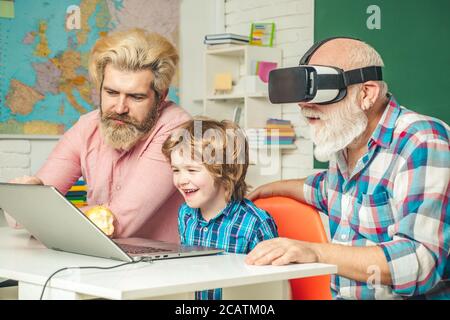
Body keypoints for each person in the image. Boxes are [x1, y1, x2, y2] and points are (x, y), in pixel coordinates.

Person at [246, 38, 449, 300]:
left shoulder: (422, 141)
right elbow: (321, 189)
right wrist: (266, 189)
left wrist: (316, 252)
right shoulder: (347, 141)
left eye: (320, 92)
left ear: (366, 93)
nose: (304, 106)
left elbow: (418, 262)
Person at [5, 28, 191, 242]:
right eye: (111, 93)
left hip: (166, 268)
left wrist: (39, 212)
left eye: (136, 97)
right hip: (99, 262)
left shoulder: (178, 130)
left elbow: (116, 224)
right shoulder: (86, 127)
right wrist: (27, 203)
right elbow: (21, 218)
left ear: (161, 97)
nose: (120, 108)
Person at [162, 117, 278, 300]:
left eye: (192, 170)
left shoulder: (255, 223)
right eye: (176, 170)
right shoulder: (186, 214)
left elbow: (270, 290)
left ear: (226, 171)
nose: (181, 180)